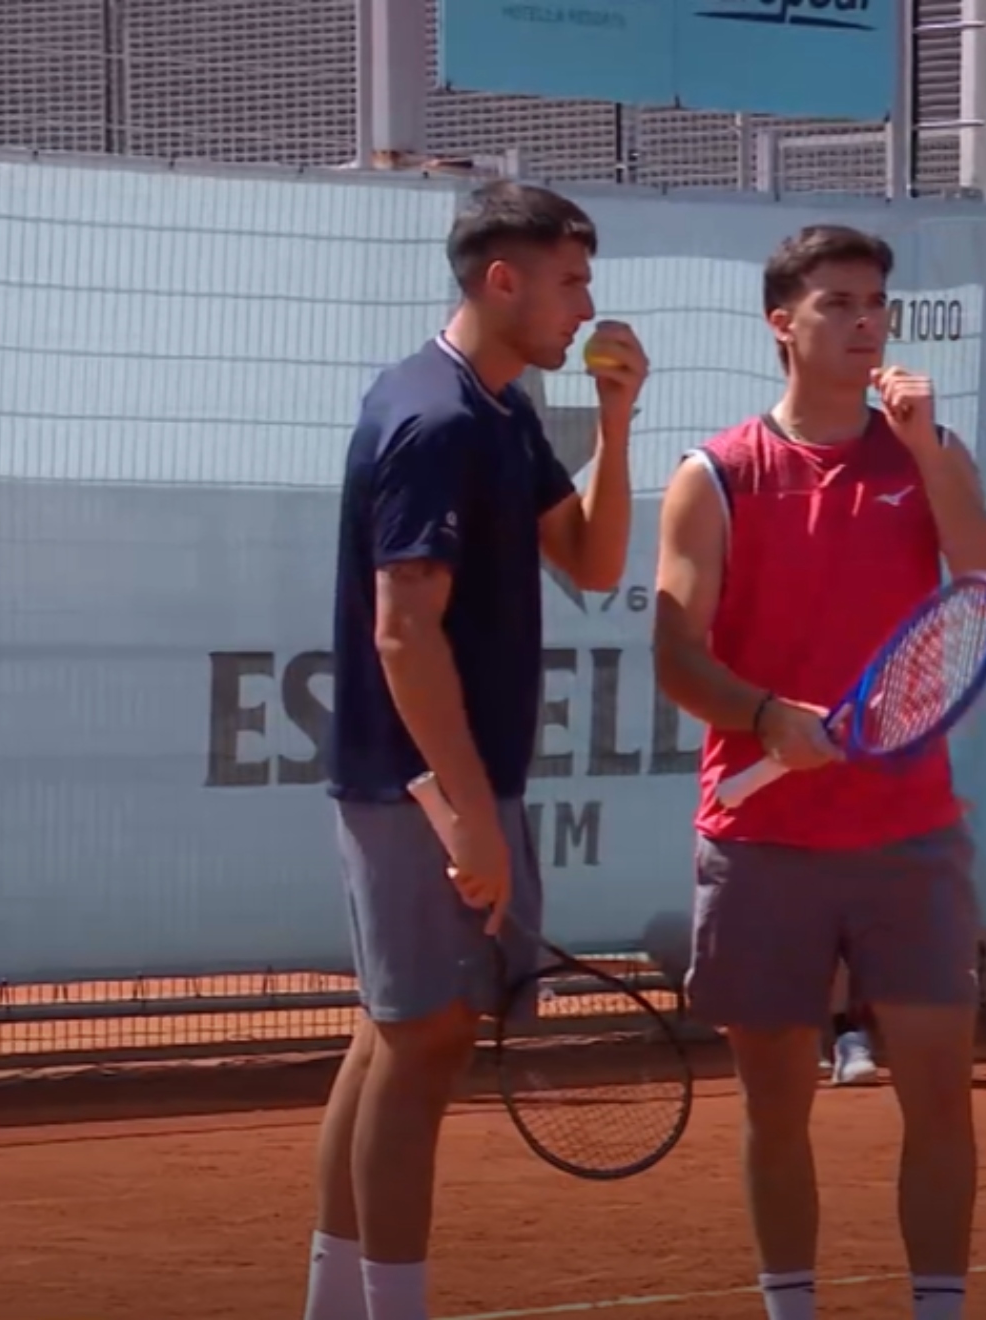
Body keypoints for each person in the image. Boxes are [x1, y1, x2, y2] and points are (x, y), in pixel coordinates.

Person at [652, 223, 986, 1320]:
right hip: (762, 844)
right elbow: (676, 651)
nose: (866, 325)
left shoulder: (929, 452)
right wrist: (765, 718)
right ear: (783, 324)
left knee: (939, 1098)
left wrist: (923, 456)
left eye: (876, 304)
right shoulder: (714, 476)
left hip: (911, 837)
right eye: (838, 305)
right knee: (775, 1109)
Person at [305, 179, 647, 1320]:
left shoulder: (496, 412)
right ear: (503, 281)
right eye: (570, 281)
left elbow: (593, 566)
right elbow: (402, 633)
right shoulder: (439, 420)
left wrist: (615, 422)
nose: (585, 306)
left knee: (394, 1038)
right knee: (426, 1046)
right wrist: (470, 813)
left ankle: (339, 1306)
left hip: (445, 780)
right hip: (420, 787)